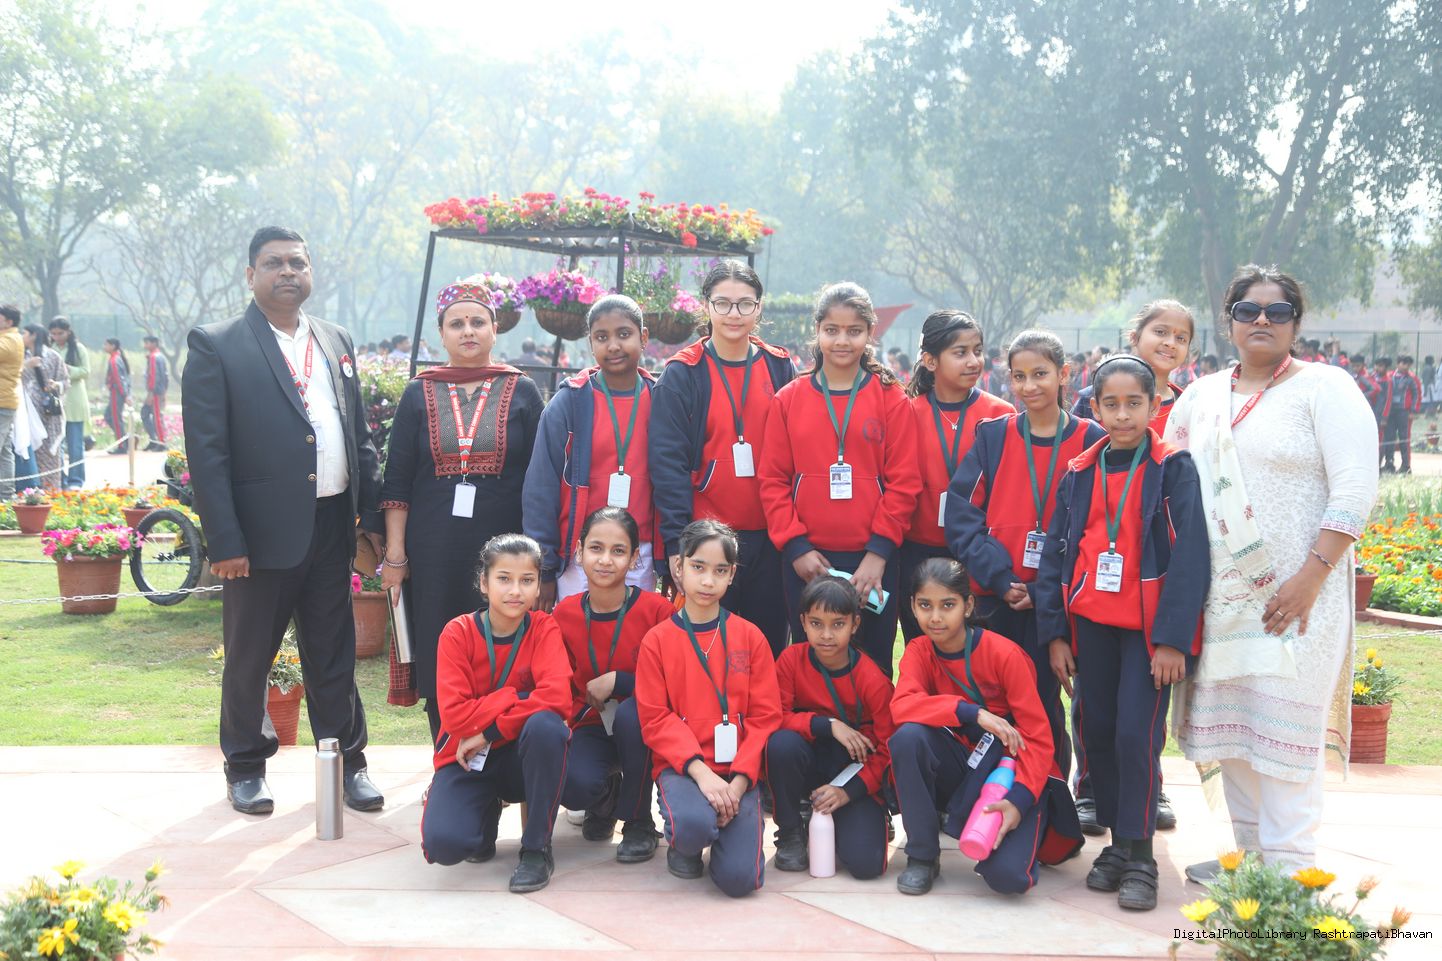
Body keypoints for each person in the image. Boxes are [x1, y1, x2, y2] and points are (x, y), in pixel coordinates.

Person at [1165, 265, 1378, 878]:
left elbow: (1355, 489)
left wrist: (1312, 577)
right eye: (1248, 309)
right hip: (1217, 601)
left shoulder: (1326, 388)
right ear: (1228, 320)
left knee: (1286, 733)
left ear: (1296, 323)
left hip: (1298, 600)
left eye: (1277, 310)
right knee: (1233, 733)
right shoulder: (1201, 396)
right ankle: (1253, 863)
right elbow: (1169, 478)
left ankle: (1290, 874)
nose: (1262, 319)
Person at [182, 225, 386, 816]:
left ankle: (347, 764)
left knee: (333, 656)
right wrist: (225, 539)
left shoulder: (335, 339)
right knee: (250, 658)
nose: (288, 272)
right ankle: (246, 767)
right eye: (274, 263)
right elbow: (208, 454)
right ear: (251, 274)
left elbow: (357, 435)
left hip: (331, 525)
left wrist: (371, 517)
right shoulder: (217, 344)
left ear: (311, 272)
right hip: (257, 537)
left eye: (298, 262)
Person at [1035, 355, 1209, 911]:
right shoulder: (1079, 472)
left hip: (1146, 636)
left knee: (1137, 736)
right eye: (1110, 404)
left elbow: (1191, 556)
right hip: (1091, 627)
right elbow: (1056, 555)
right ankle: (1116, 843)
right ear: (1094, 407)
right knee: (1099, 733)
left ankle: (1141, 856)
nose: (1123, 414)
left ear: (1155, 406)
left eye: (1135, 403)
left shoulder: (1172, 468)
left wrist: (1173, 640)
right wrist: (1056, 634)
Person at [379, 282, 543, 740]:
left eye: (477, 322)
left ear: (495, 329)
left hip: (505, 553)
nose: (467, 331)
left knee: (502, 647)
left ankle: (498, 753)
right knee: (440, 648)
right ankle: (448, 755)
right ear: (441, 334)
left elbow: (541, 479)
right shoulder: (419, 393)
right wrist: (396, 556)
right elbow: (397, 482)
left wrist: (538, 556)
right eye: (457, 324)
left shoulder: (522, 390)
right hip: (433, 552)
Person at [946, 329, 1105, 779]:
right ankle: (991, 792)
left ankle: (1050, 793)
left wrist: (1046, 590)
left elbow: (1100, 526)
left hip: (1060, 601)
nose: (1029, 385)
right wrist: (1001, 579)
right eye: (1019, 376)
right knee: (995, 701)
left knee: (1045, 701)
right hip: (998, 598)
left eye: (1040, 374)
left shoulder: (1092, 438)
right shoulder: (993, 436)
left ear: (1064, 374)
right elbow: (961, 518)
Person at [889, 557, 1082, 895]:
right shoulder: (919, 650)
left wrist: (1018, 800)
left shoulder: (1005, 654)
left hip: (1008, 772)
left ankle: (1033, 827)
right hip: (962, 766)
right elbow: (902, 706)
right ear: (913, 607)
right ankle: (922, 856)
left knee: (1008, 878)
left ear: (968, 605)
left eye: (947, 605)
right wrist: (971, 712)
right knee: (908, 738)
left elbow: (1038, 738)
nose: (935, 617)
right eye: (925, 605)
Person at [759, 282, 921, 677]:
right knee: (812, 665)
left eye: (854, 331)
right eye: (832, 330)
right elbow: (772, 481)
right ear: (817, 331)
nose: (842, 340)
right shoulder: (789, 399)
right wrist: (796, 547)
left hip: (872, 562)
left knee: (873, 668)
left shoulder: (891, 399)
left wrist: (878, 554)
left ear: (870, 333)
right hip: (808, 561)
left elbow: (904, 483)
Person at [649, 261, 796, 654]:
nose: (734, 314)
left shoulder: (779, 366)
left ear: (759, 308)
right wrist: (677, 544)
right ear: (706, 306)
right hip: (706, 540)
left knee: (765, 649)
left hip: (770, 537)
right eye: (723, 303)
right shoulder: (683, 373)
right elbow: (667, 465)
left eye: (745, 304)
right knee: (708, 651)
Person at [634, 519, 781, 897]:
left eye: (719, 570)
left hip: (737, 770)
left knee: (740, 881)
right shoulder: (657, 640)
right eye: (698, 567)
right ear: (679, 567)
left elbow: (766, 717)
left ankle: (723, 834)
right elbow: (655, 718)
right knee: (693, 827)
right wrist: (702, 775)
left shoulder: (750, 636)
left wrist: (739, 782)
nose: (707, 580)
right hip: (685, 769)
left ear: (732, 575)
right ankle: (689, 840)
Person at [419, 533, 573, 893]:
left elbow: (557, 698)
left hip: (517, 755)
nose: (515, 591)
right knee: (445, 846)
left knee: (547, 727)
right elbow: (456, 718)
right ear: (484, 583)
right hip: (466, 757)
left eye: (527, 580)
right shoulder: (457, 633)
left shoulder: (544, 627)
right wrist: (515, 695)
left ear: (538, 586)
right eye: (504, 578)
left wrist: (490, 730)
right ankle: (484, 812)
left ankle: (536, 849)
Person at [552, 507, 674, 861]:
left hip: (645, 726)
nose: (605, 560)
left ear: (634, 558)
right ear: (579, 551)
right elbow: (557, 684)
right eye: (596, 548)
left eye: (618, 551)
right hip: (590, 724)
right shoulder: (564, 614)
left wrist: (621, 681)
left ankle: (638, 821)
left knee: (632, 715)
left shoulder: (658, 612)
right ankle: (605, 796)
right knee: (572, 787)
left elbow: (674, 686)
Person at [525, 294, 659, 609]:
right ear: (590, 343)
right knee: (576, 632)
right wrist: (544, 565)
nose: (613, 345)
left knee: (633, 632)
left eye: (624, 334)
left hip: (641, 552)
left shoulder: (661, 399)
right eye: (601, 337)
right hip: (578, 553)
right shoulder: (569, 403)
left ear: (644, 338)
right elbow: (541, 486)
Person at [766, 575, 894, 878]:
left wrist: (849, 792)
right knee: (780, 744)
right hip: (808, 757)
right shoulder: (790, 660)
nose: (826, 635)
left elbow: (888, 750)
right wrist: (828, 725)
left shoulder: (873, 680)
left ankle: (847, 814)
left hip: (852, 772)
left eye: (838, 624)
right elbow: (773, 717)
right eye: (816, 623)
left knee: (867, 865)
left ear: (855, 624)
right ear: (802, 622)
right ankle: (790, 831)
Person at [900, 310, 1014, 647]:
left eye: (977, 351)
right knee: (924, 649)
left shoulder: (1001, 415)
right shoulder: (906, 412)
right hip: (917, 552)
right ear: (930, 361)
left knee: (978, 654)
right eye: (960, 352)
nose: (973, 361)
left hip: (976, 550)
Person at [1072, 301, 1193, 436]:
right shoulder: (1093, 398)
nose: (1171, 343)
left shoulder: (1189, 407)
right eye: (1160, 332)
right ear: (1135, 337)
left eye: (1181, 338)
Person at [20, 324, 68, 489]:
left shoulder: (53, 356)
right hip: (26, 410)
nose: (22, 337)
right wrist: (26, 364)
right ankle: (31, 490)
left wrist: (56, 384)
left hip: (48, 411)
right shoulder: (21, 355)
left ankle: (51, 489)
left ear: (34, 335)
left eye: (25, 333)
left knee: (49, 450)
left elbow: (65, 381)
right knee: (30, 450)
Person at [47, 318, 90, 490]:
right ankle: (61, 479)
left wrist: (66, 370)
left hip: (74, 401)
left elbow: (86, 371)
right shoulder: (50, 349)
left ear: (68, 332)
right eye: (53, 334)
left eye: (60, 333)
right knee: (57, 444)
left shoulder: (78, 348)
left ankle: (76, 480)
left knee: (75, 445)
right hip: (56, 401)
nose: (57, 337)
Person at [1384, 355, 1422, 474]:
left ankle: (1406, 465)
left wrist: (1413, 411)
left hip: (1404, 412)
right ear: (1397, 364)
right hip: (1390, 411)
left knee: (1404, 438)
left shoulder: (1412, 378)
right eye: (1403, 364)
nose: (1406, 367)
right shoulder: (1389, 376)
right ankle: (1389, 463)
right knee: (1389, 437)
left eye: (1408, 365)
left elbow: (1417, 394)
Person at [0, 305, 20, 500]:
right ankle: (6, 496)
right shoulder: (9, 338)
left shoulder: (9, 340)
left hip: (2, 401)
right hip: (5, 401)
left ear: (9, 322)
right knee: (5, 452)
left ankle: (6, 495)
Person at [139, 335, 170, 451]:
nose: (145, 345)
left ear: (153, 344)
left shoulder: (153, 357)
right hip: (160, 390)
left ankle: (161, 443)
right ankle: (153, 440)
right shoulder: (160, 356)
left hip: (155, 392)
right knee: (145, 413)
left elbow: (153, 376)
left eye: (147, 343)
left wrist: (151, 392)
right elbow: (165, 376)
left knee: (157, 417)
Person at [102, 338, 130, 454]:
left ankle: (122, 445)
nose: (104, 347)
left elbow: (119, 379)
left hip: (116, 392)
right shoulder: (116, 358)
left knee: (115, 419)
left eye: (106, 345)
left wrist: (125, 394)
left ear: (113, 346)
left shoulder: (114, 360)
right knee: (109, 416)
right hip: (117, 392)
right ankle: (125, 439)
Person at [1371, 356, 1396, 470]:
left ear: (1386, 367)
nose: (1377, 368)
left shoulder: (1388, 381)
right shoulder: (1371, 378)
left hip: (1380, 415)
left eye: (1380, 366)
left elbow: (1388, 400)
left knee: (1380, 440)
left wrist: (1384, 417)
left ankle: (1378, 464)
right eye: (1376, 365)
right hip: (1371, 412)